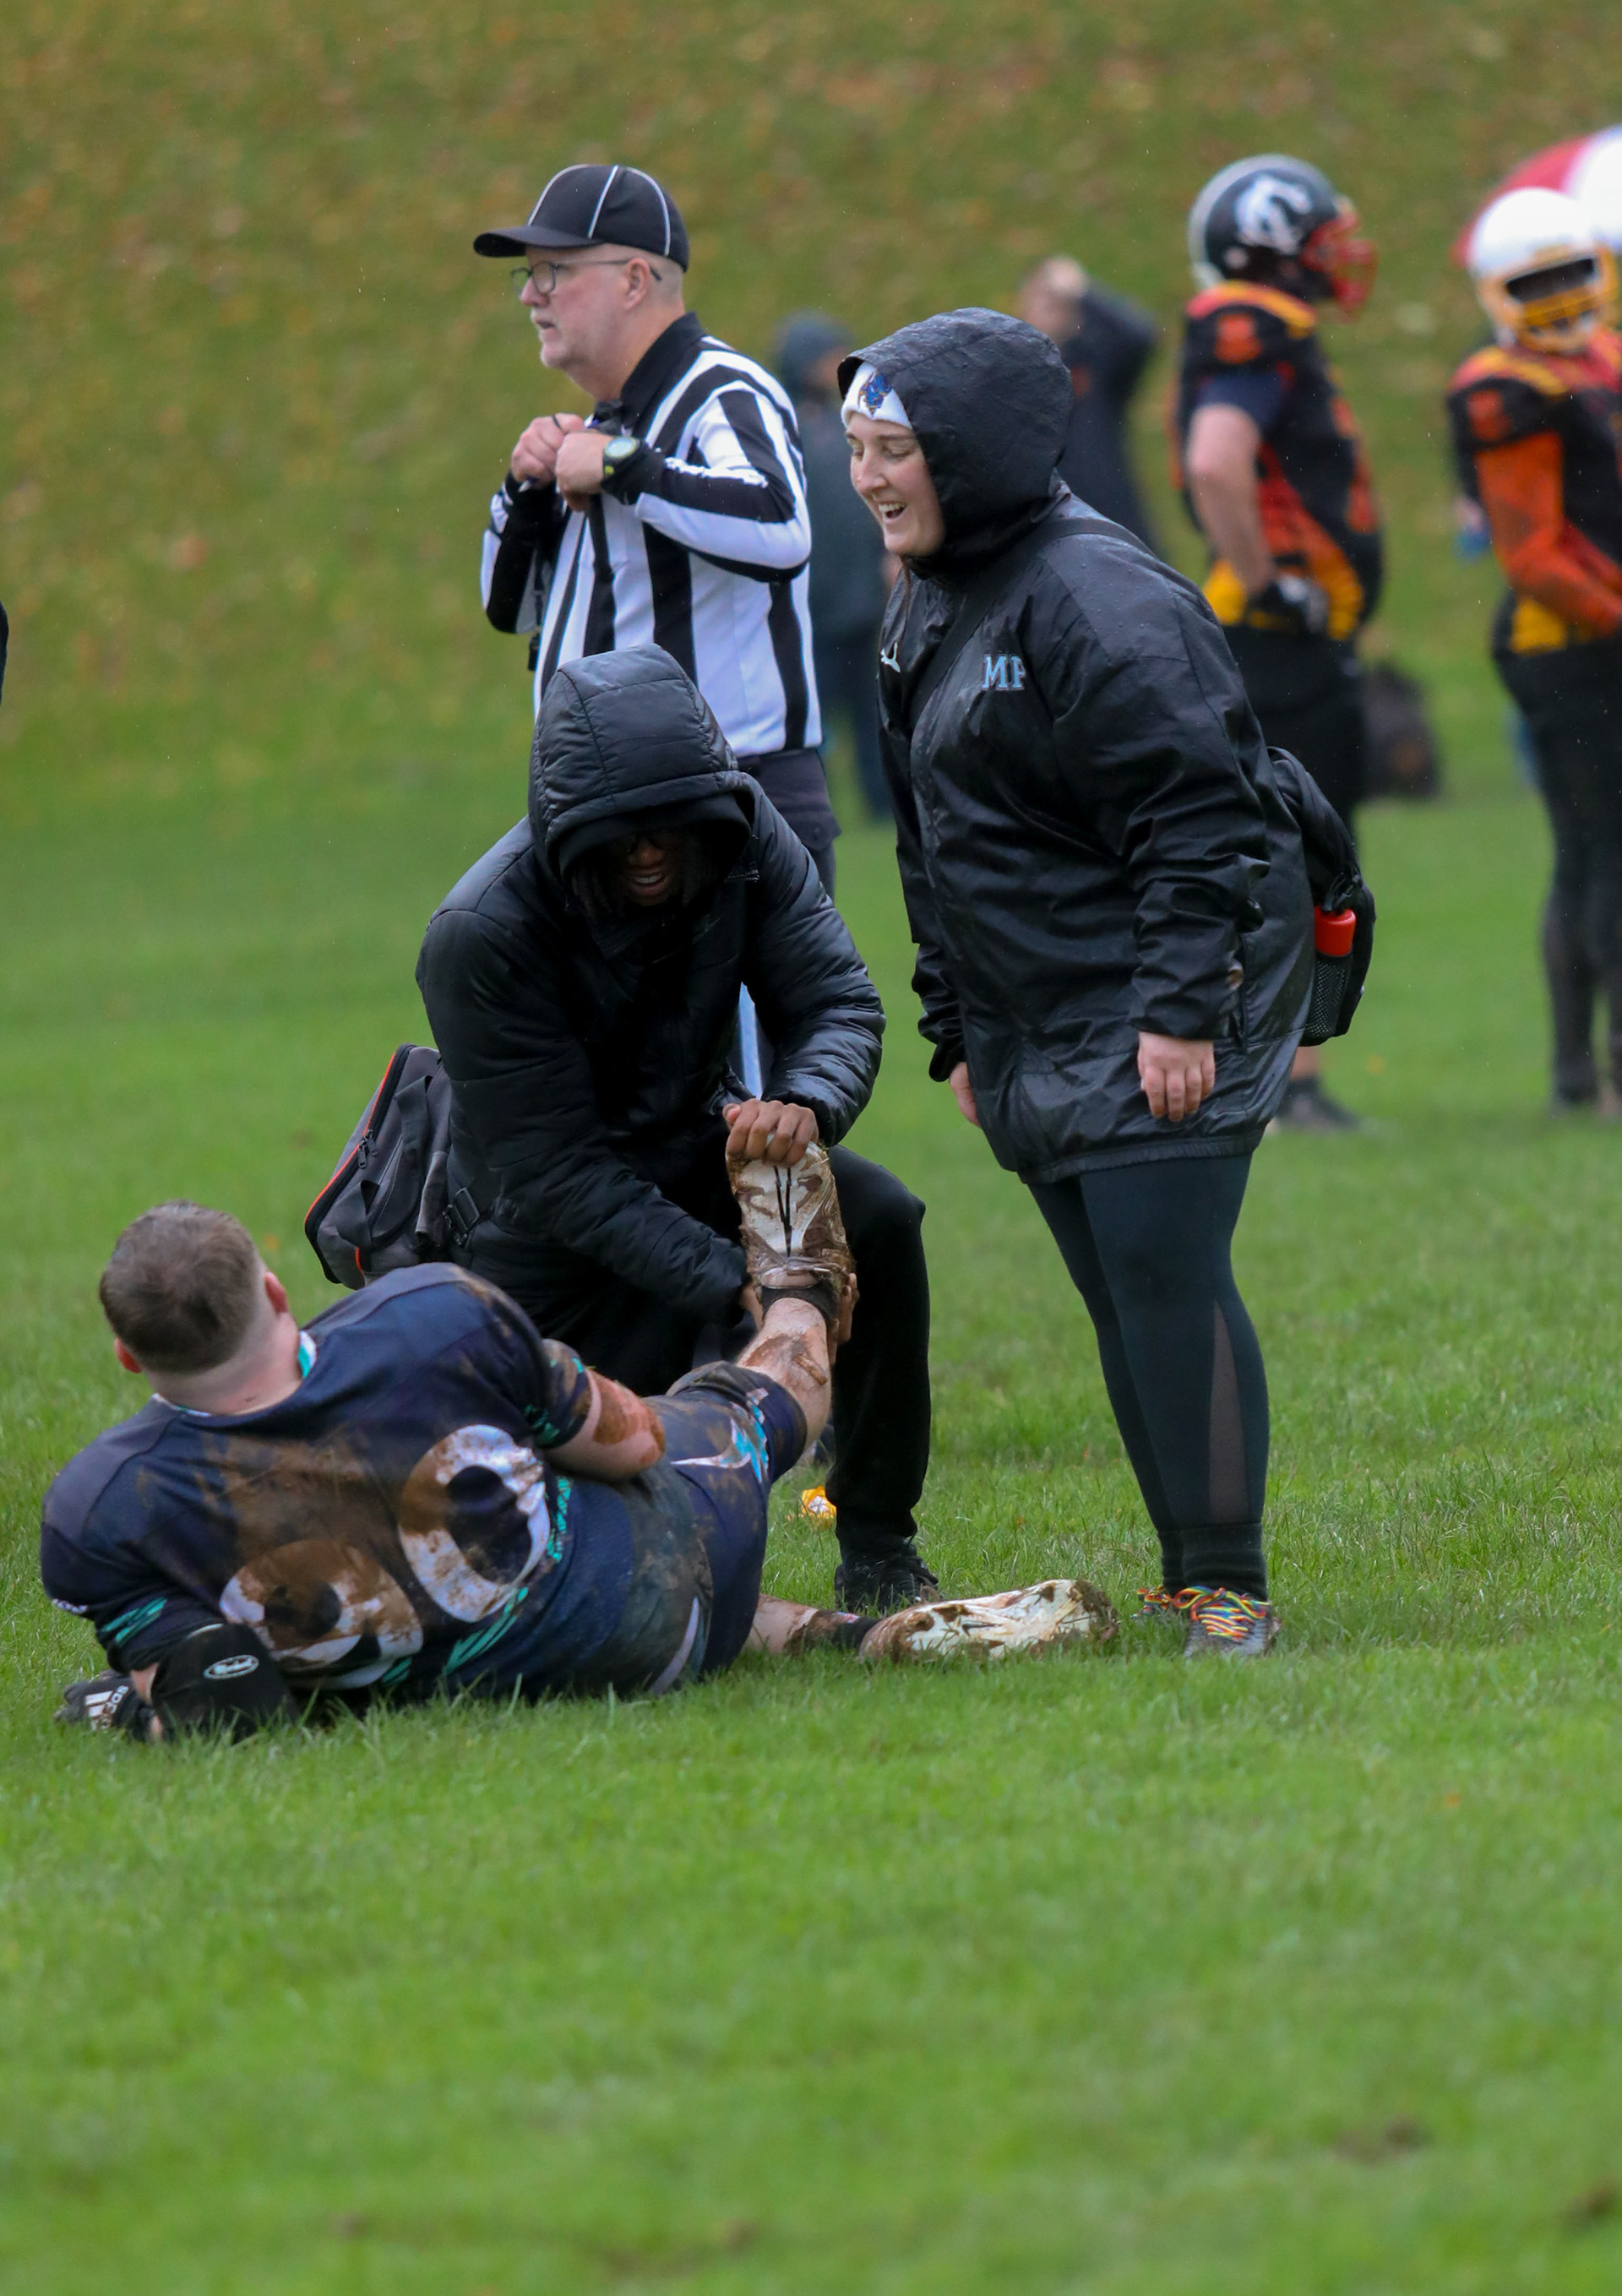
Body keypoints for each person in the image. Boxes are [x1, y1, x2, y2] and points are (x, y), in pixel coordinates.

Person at [845, 307, 1354, 1658]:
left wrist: (1183, 1010)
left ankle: (1229, 1592)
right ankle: (1191, 1573)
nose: (871, 477)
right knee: (1119, 1292)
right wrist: (956, 1030)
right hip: (1044, 1012)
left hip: (1175, 987)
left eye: (896, 449)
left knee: (1166, 1276)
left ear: (976, 451)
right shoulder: (928, 593)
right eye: (858, 448)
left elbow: (1202, 819)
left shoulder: (1099, 598)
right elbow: (930, 836)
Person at [42, 1202, 1113, 1742]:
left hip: (443, 1674)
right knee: (735, 1407)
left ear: (131, 1357)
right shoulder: (430, 1319)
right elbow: (631, 1446)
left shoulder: (101, 1506)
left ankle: (836, 1638)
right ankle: (799, 1278)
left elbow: (206, 1701)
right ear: (275, 1293)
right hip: (640, 1619)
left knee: (516, 1539)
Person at [416, 642, 936, 1615]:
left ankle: (877, 1539)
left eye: (668, 827)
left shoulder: (743, 836)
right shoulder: (481, 933)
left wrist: (805, 1104)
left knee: (885, 1219)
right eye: (618, 838)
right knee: (510, 1514)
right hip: (538, 1232)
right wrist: (733, 1280)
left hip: (700, 1146)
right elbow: (555, 1169)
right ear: (565, 833)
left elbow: (839, 1001)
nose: (649, 851)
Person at [474, 162, 837, 892]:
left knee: (746, 1015)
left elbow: (780, 524)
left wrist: (620, 467)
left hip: (725, 804)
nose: (533, 296)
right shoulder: (605, 424)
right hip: (603, 806)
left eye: (555, 270)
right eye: (529, 275)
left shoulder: (721, 390)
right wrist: (527, 488)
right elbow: (509, 611)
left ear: (635, 280)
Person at [1173, 154, 1382, 1131]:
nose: (1332, 258)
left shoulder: (1267, 332)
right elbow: (1218, 462)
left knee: (1295, 847)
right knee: (1303, 852)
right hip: (1272, 640)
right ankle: (1286, 1080)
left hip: (1276, 638)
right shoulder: (1254, 326)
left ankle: (1278, 1074)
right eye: (1316, 239)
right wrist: (1273, 585)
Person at [1449, 188, 1622, 1111]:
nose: (1559, 296)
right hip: (1568, 645)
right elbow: (1532, 552)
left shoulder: (1602, 360)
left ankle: (1575, 1072)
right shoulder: (1501, 386)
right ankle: (1599, 1070)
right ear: (1497, 291)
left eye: (1570, 272)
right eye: (1537, 280)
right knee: (1601, 851)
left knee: (1591, 851)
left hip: (1601, 634)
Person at [776, 313, 893, 822]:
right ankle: (815, 807)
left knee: (872, 709)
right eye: (828, 356)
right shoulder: (787, 428)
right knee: (816, 715)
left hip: (861, 594)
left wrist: (887, 553)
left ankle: (881, 803)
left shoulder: (846, 420)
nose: (837, 365)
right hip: (815, 603)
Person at [1015, 255, 1161, 552]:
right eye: (1041, 300)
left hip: (1122, 531)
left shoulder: (1094, 370)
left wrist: (1084, 292)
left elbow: (1140, 337)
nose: (1051, 310)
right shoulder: (1014, 385)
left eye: (1059, 302)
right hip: (1058, 542)